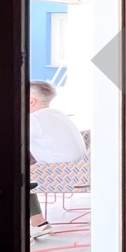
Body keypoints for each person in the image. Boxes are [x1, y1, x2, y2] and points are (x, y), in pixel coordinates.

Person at [29, 80, 87, 236]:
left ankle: (36, 222)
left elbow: (8, 137)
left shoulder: (34, 120)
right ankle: (36, 220)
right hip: (81, 172)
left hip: (61, 176)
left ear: (31, 101)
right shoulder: (58, 114)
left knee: (12, 174)